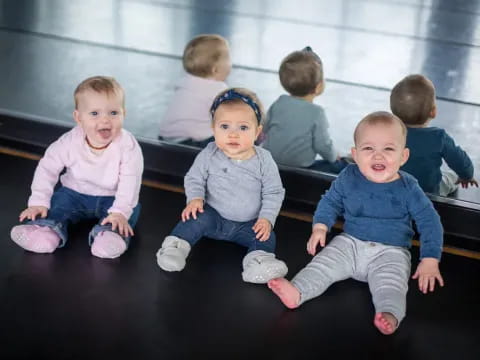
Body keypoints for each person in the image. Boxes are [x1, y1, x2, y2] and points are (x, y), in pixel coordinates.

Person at [268, 111, 444, 335]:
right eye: (368, 149)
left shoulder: (408, 187)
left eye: (388, 149)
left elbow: (430, 222)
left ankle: (389, 315)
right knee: (322, 265)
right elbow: (330, 201)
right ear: (355, 154)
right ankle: (298, 292)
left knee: (391, 286)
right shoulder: (348, 176)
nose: (378, 156)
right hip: (349, 244)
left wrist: (430, 259)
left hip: (390, 253)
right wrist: (320, 226)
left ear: (403, 156)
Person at [156, 88, 287, 283]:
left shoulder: (264, 160)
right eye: (225, 126)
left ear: (257, 132)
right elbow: (194, 178)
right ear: (213, 128)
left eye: (243, 128)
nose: (233, 135)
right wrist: (195, 198)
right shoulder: (209, 153)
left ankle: (258, 261)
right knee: (194, 219)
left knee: (267, 236)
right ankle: (175, 247)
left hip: (248, 224)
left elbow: (274, 191)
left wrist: (266, 219)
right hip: (213, 218)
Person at [10, 76, 143, 259]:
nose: (105, 120)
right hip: (74, 193)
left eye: (113, 113)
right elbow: (47, 168)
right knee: (58, 206)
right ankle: (45, 232)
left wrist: (120, 211)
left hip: (114, 197)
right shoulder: (69, 141)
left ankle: (110, 236)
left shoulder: (127, 145)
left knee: (126, 215)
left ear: (124, 114)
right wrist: (39, 201)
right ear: (78, 118)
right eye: (95, 113)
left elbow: (131, 179)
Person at [262, 46, 346, 173]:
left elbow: (264, 129)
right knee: (341, 167)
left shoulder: (279, 103)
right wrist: (335, 156)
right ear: (318, 87)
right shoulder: (317, 113)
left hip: (271, 164)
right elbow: (323, 145)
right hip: (301, 171)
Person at [390, 74, 477, 196]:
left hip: (394, 190)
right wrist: (467, 175)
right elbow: (459, 160)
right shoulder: (438, 137)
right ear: (433, 112)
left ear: (393, 112)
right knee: (450, 177)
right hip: (428, 193)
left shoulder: (387, 134)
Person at [158, 34, 231, 147]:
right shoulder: (218, 89)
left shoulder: (185, 82)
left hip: (166, 139)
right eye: (228, 58)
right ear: (215, 69)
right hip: (194, 145)